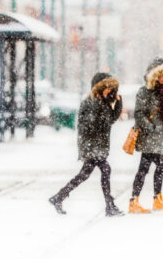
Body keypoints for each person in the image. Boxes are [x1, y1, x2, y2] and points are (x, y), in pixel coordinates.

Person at [49, 72, 123, 216]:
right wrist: (100, 116)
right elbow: (90, 125)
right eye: (107, 87)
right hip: (91, 145)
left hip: (97, 145)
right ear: (99, 87)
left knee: (84, 175)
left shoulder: (103, 102)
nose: (109, 90)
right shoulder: (91, 102)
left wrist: (118, 102)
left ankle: (58, 197)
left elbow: (112, 119)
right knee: (105, 169)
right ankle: (109, 206)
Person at [128, 57, 163, 213]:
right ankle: (144, 200)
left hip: (156, 137)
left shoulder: (160, 91)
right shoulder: (145, 91)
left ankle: (145, 200)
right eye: (162, 75)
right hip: (148, 136)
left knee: (146, 168)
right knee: (157, 165)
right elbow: (139, 114)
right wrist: (151, 128)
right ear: (154, 75)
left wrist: (159, 129)